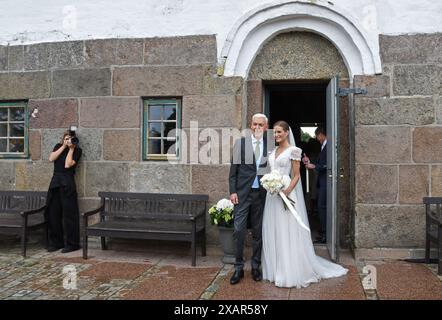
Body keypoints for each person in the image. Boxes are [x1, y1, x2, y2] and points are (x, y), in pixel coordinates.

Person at [261, 121, 347, 288]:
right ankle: (275, 268)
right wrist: (269, 184)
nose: (276, 135)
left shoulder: (294, 151)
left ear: (287, 132)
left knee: (287, 229)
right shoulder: (272, 151)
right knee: (274, 228)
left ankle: (289, 269)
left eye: (279, 132)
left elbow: (296, 175)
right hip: (272, 195)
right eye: (274, 133)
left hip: (286, 191)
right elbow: (270, 171)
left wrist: (286, 191)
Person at [228, 113, 271, 285]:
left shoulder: (271, 145)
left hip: (261, 196)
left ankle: (255, 266)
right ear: (251, 125)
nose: (258, 127)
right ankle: (238, 267)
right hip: (242, 194)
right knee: (238, 230)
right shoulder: (241, 144)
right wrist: (233, 191)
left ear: (266, 127)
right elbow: (233, 172)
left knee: (258, 233)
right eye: (255, 124)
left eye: (261, 124)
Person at [45, 131, 82, 253]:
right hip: (55, 183)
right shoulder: (58, 146)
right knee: (53, 213)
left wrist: (71, 149)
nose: (69, 140)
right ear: (63, 139)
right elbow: (51, 158)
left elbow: (67, 165)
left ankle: (73, 244)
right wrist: (64, 146)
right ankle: (56, 243)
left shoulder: (77, 151)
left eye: (71, 139)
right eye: (66, 138)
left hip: (68, 183)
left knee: (69, 215)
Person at [303, 127, 327, 244]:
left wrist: (314, 166)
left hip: (325, 182)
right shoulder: (323, 147)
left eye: (317, 136)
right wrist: (309, 162)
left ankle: (325, 235)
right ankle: (323, 233)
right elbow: (319, 163)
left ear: (321, 134)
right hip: (322, 182)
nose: (317, 139)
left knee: (322, 207)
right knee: (321, 207)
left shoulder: (328, 146)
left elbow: (327, 165)